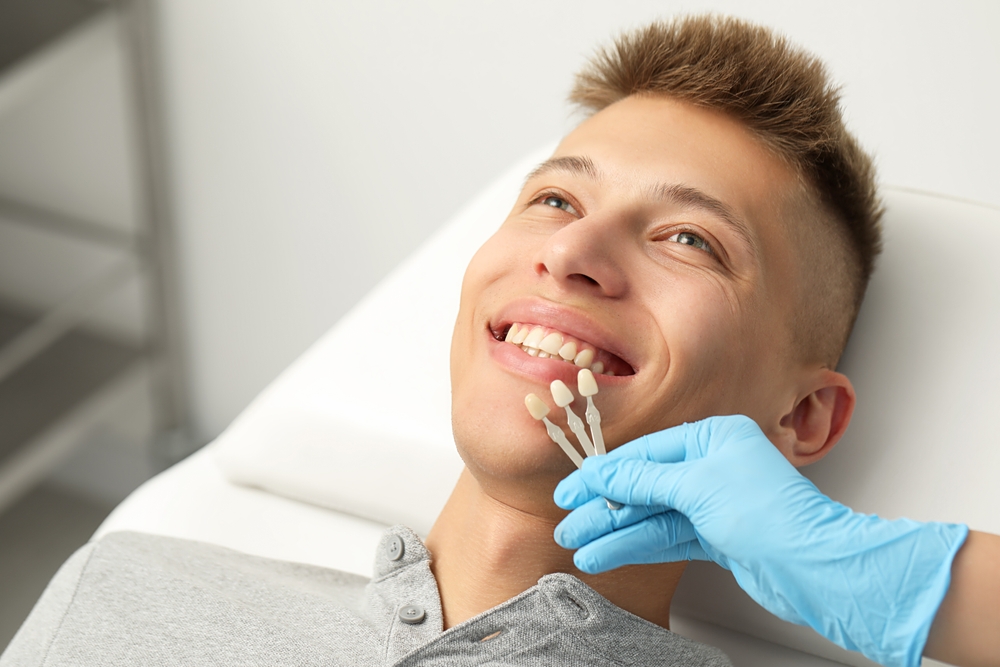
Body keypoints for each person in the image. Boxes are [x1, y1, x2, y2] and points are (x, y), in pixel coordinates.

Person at [1, 13, 950, 666]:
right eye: (554, 199)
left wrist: (895, 578)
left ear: (801, 416)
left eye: (689, 239)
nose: (573, 251)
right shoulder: (129, 585)